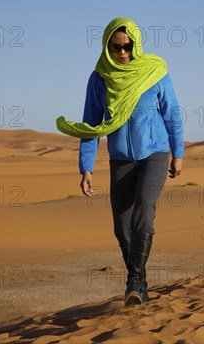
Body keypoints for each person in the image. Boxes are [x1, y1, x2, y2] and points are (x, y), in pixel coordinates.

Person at [56, 17, 184, 305]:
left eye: (127, 46)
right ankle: (140, 278)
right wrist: (86, 167)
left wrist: (178, 153)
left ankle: (134, 282)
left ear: (136, 44)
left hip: (155, 154)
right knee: (121, 227)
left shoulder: (155, 72)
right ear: (107, 47)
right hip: (121, 159)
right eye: (116, 47)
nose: (123, 52)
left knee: (143, 212)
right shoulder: (99, 78)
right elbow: (92, 124)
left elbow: (172, 113)